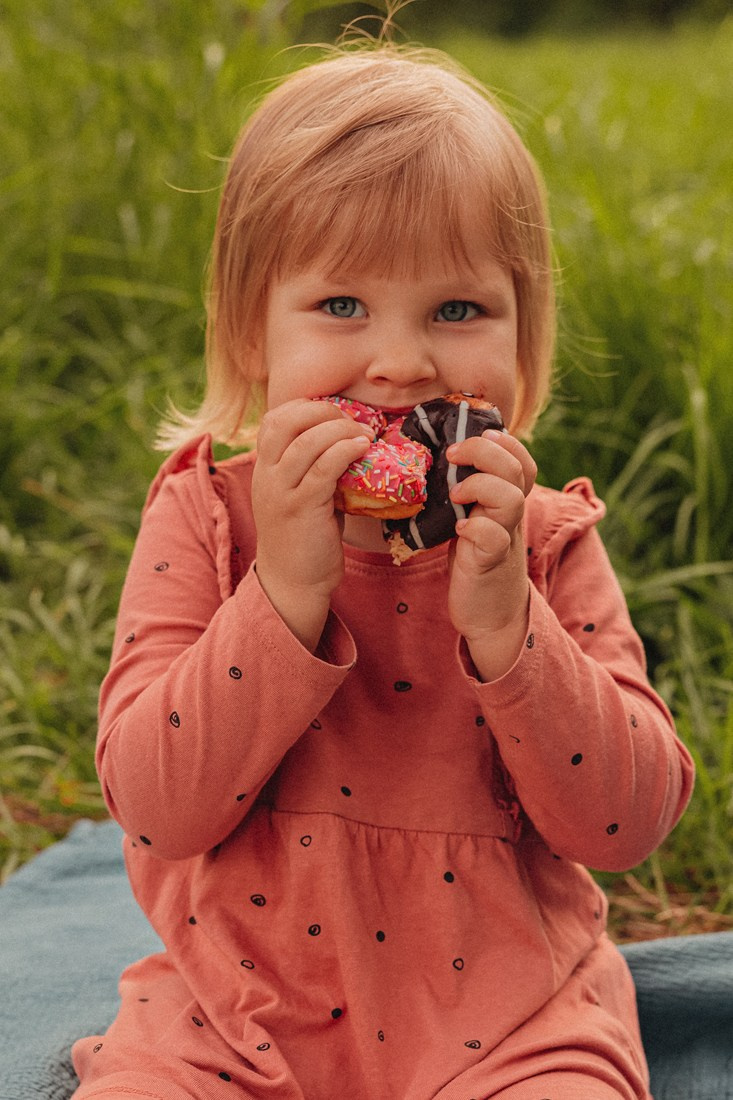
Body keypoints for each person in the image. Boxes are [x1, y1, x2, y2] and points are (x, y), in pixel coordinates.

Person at [71, 41, 694, 1100]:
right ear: (251, 332)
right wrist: (283, 595)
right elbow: (155, 804)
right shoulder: (204, 521)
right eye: (342, 307)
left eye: (456, 311)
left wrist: (511, 627)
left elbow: (624, 825)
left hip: (508, 1013)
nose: (400, 362)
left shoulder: (542, 543)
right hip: (236, 1009)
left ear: (522, 340)